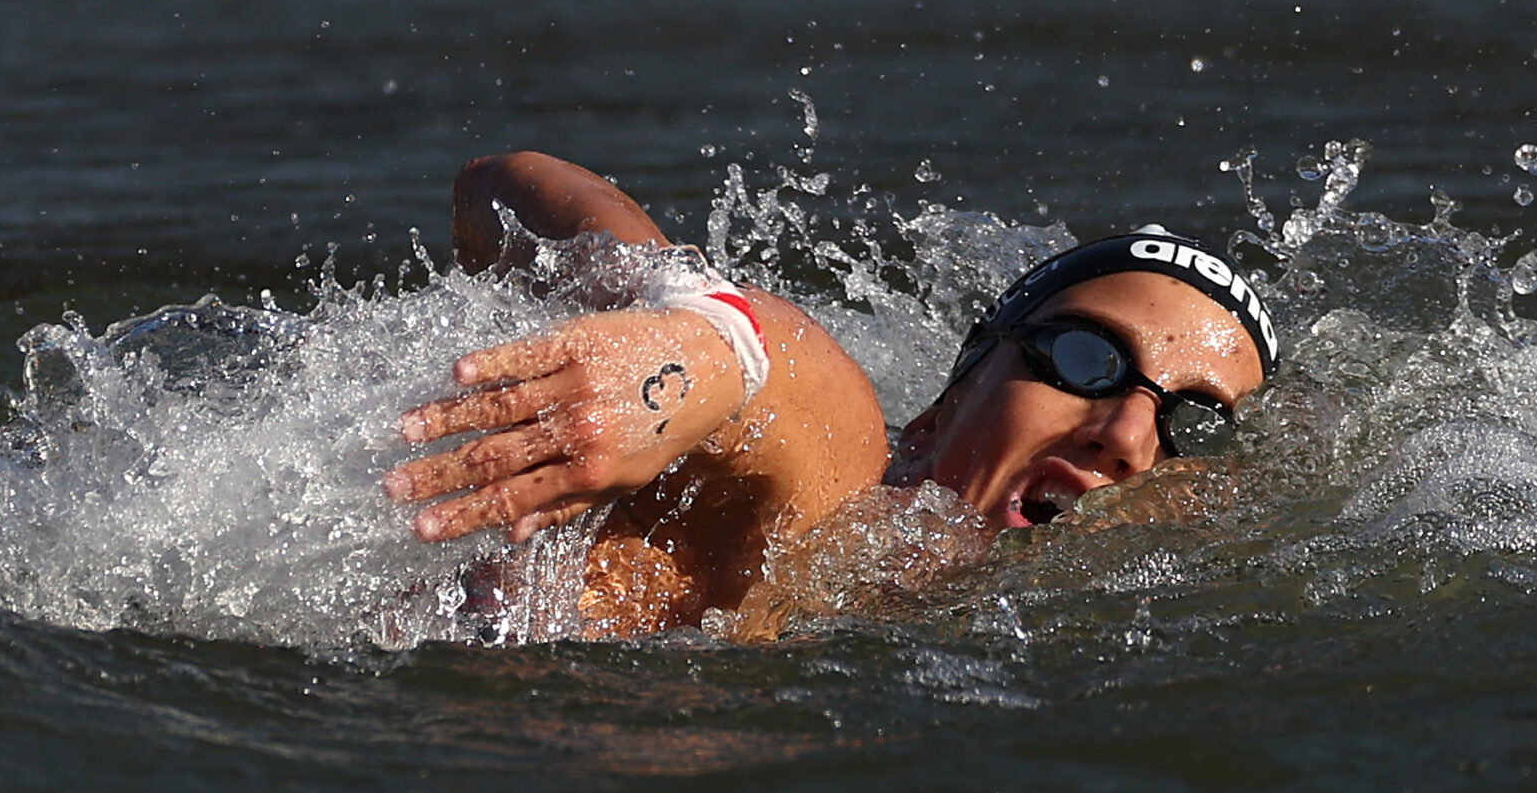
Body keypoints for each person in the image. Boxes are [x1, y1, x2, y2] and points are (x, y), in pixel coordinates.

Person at [383, 152, 1278, 637]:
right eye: (1089, 358)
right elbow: (496, 186)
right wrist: (702, 331)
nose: (1127, 433)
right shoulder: (839, 505)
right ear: (943, 410)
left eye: (1188, 421)